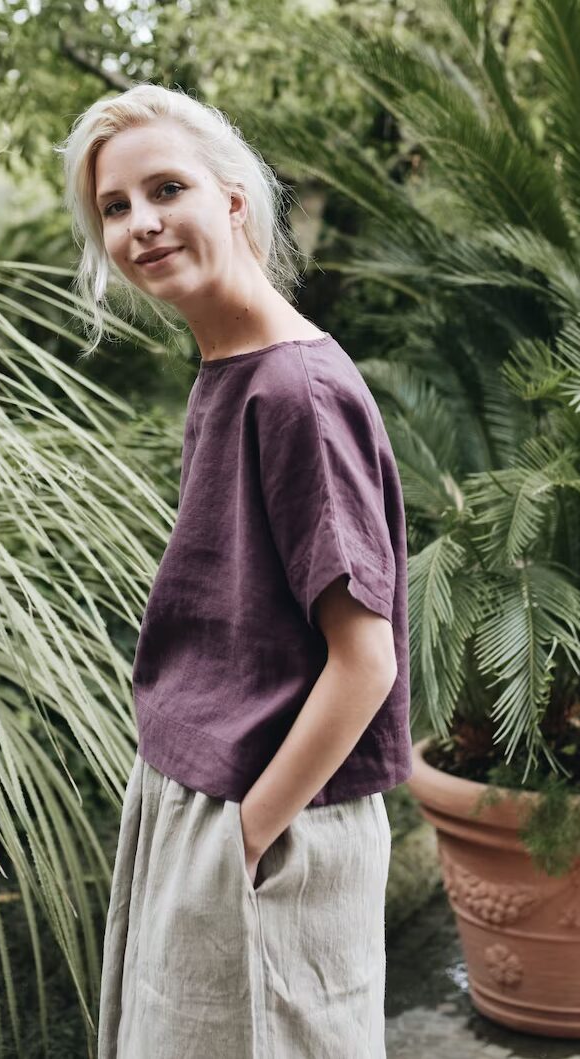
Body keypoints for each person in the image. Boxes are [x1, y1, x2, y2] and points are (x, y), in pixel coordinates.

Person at [57, 81, 412, 1059]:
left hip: (268, 828)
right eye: (114, 206)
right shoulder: (229, 371)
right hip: (200, 801)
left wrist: (247, 837)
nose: (139, 223)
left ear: (234, 200)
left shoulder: (295, 392)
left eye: (165, 188)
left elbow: (364, 661)